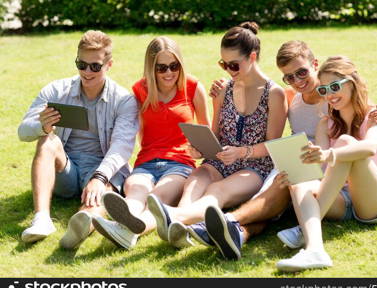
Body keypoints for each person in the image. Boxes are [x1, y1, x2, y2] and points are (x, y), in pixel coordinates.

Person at [189, 40, 377, 260]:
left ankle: (242, 223)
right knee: (293, 179)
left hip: (369, 194)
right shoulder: (307, 108)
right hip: (334, 188)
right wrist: (296, 173)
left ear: (315, 65)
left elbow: (369, 145)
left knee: (345, 144)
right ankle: (238, 230)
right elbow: (313, 159)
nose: (298, 81)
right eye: (289, 77)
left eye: (302, 73)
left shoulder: (372, 113)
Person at [146, 22, 288, 256]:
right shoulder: (223, 89)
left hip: (255, 166)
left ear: (252, 57)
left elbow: (273, 146)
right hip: (221, 159)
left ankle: (174, 217)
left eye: (234, 64)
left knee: (216, 190)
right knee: (196, 177)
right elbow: (217, 134)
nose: (228, 70)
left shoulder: (273, 94)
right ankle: (180, 227)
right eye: (224, 64)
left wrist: (242, 152)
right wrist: (200, 150)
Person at [275, 55, 377, 272]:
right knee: (300, 180)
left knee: (346, 142)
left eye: (335, 86)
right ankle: (315, 248)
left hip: (375, 199)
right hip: (343, 198)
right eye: (324, 90)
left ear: (352, 83)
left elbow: (369, 148)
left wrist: (328, 154)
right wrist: (294, 177)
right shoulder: (326, 124)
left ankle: (303, 228)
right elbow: (322, 174)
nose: (330, 95)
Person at [18, 30, 139, 249]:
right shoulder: (56, 90)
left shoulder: (123, 100)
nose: (87, 71)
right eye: (81, 64)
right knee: (47, 140)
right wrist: (42, 126)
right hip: (66, 167)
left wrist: (99, 177)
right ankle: (42, 219)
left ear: (109, 65)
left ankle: (82, 223)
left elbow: (122, 146)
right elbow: (22, 131)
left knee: (107, 191)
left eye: (95, 66)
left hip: (100, 166)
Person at [91, 36, 211, 249]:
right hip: (146, 161)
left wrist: (198, 151)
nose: (168, 73)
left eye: (174, 66)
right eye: (161, 68)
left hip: (180, 164)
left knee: (158, 197)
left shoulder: (192, 87)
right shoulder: (140, 90)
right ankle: (127, 229)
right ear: (151, 68)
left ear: (180, 64)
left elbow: (207, 137)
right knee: (136, 190)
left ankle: (124, 231)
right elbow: (129, 129)